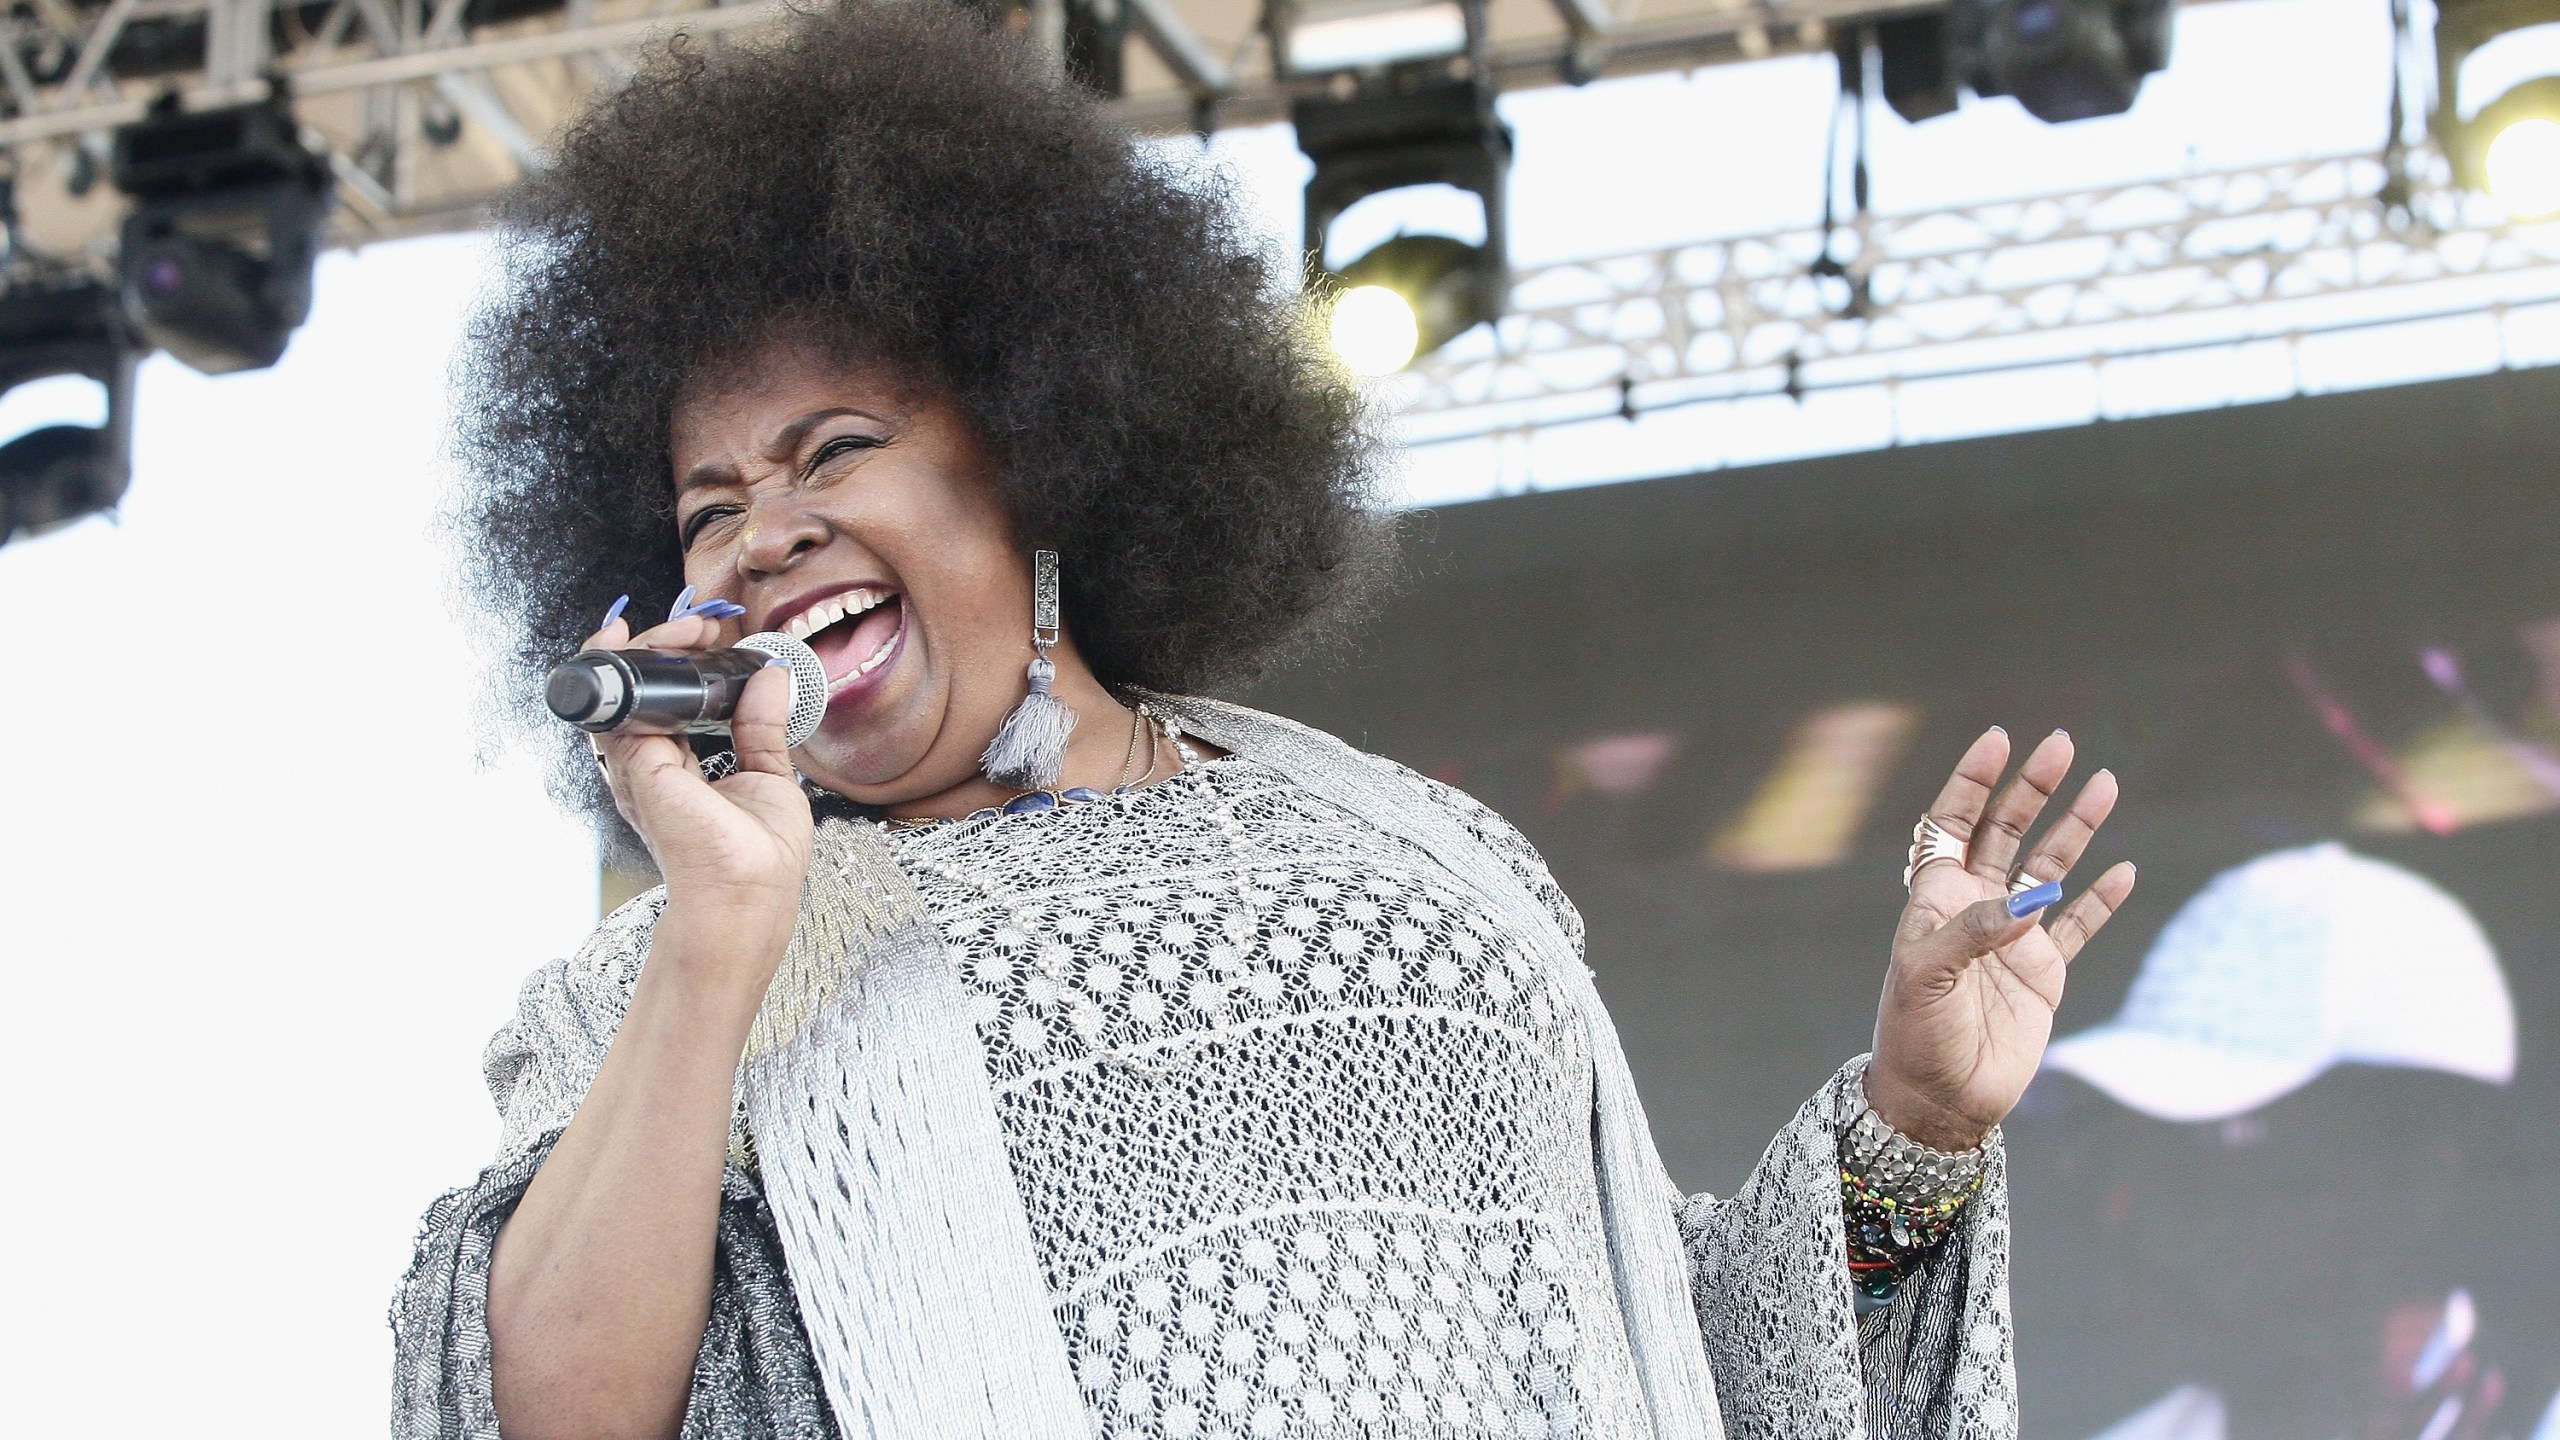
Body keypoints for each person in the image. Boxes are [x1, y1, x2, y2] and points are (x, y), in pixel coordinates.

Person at [391, 6, 2136, 1438]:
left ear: (1039, 447)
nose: (765, 531)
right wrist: (719, 937)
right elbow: (531, 1421)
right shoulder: (666, 988)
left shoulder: (1429, 855)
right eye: (709, 511)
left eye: (834, 451)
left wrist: (1916, 1125)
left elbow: (1660, 1356)